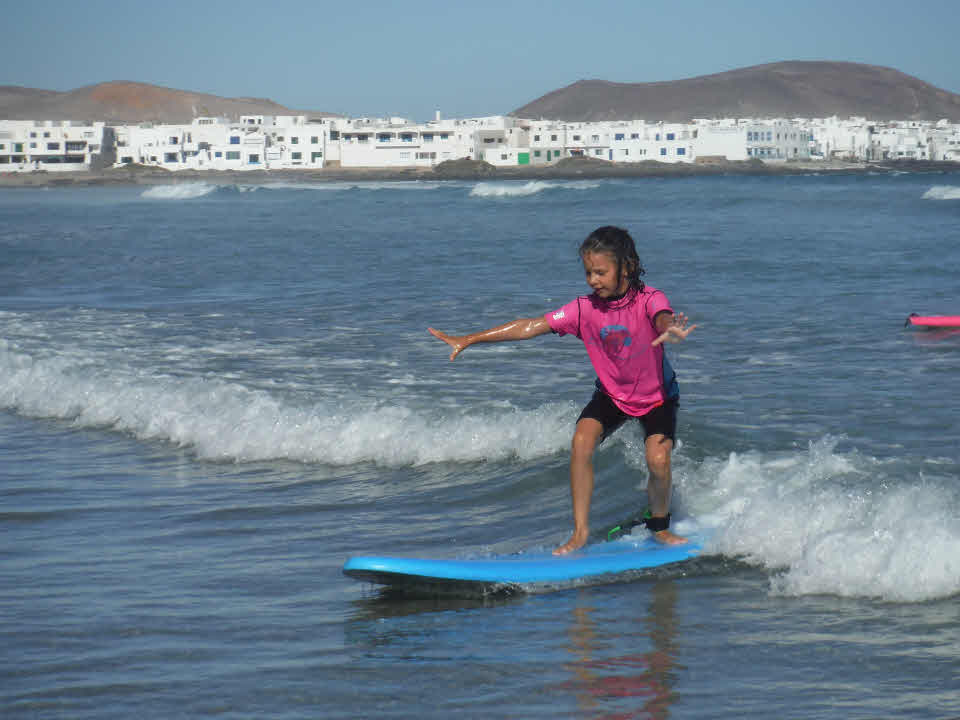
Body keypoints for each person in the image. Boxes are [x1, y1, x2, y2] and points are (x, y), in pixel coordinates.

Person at [429, 226, 696, 555]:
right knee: (581, 441)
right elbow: (531, 326)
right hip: (613, 395)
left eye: (601, 272)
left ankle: (660, 525)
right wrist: (470, 339)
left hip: (657, 397)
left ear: (625, 267)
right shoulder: (583, 310)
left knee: (658, 459)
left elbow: (662, 318)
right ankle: (580, 533)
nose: (593, 280)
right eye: (588, 273)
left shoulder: (649, 300)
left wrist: (670, 330)